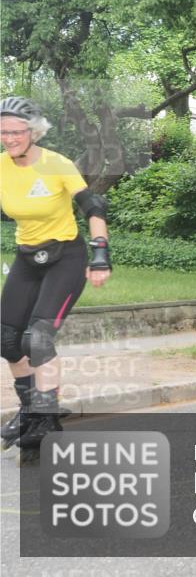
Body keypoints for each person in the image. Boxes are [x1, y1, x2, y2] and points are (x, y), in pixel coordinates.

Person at [0, 97, 112, 461]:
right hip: (27, 257)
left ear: (33, 131)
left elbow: (93, 207)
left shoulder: (56, 164)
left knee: (39, 337)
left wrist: (100, 255)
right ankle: (30, 410)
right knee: (6, 340)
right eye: (3, 132)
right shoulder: (1, 167)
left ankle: (46, 418)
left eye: (17, 131)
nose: (10, 138)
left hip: (66, 256)